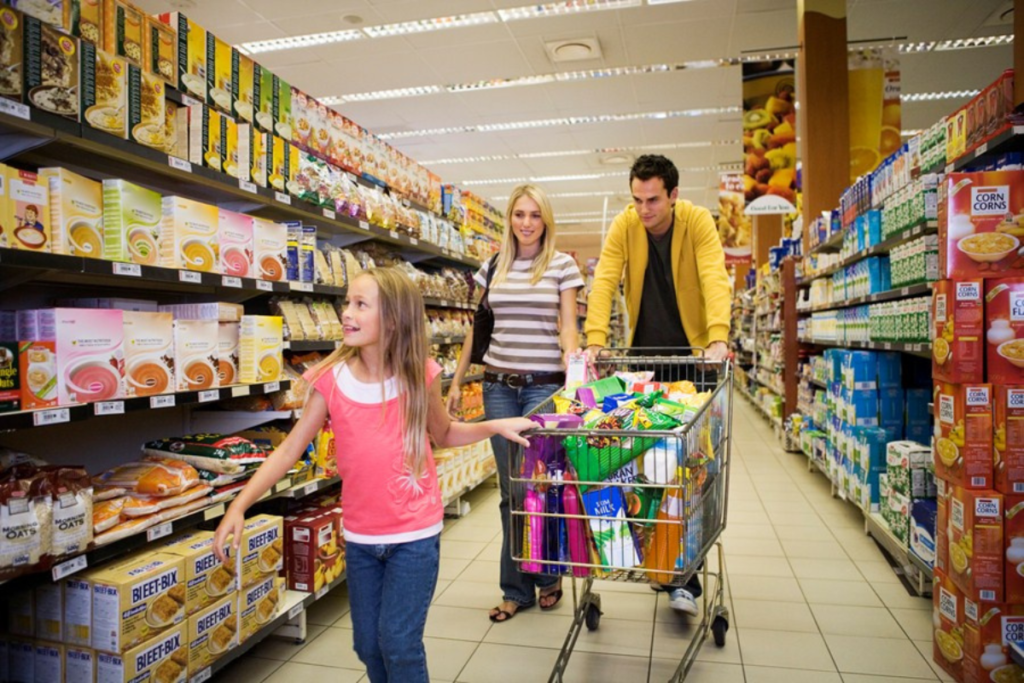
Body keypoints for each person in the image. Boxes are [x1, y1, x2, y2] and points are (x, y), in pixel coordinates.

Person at [214, 268, 534, 683]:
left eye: (360, 305)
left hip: (414, 535)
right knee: (367, 645)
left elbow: (444, 432)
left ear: (395, 320)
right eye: (347, 302)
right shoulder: (331, 379)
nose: (347, 312)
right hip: (362, 538)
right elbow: (291, 449)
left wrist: (494, 426)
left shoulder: (419, 375)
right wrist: (238, 504)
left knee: (399, 644)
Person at [583, 154, 732, 616]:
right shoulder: (626, 225)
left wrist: (719, 338)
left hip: (693, 361)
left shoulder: (698, 223)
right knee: (650, 471)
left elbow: (713, 276)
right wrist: (594, 341)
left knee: (692, 471)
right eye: (637, 199)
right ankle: (660, 559)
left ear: (673, 195)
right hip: (644, 365)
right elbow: (605, 278)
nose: (644, 209)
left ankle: (683, 574)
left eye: (652, 200)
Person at [447, 184, 584, 623]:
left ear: (546, 221)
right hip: (498, 388)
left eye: (535, 215)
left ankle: (548, 576)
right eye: (519, 214)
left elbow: (568, 326)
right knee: (510, 492)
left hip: (544, 388)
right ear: (509, 218)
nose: (526, 223)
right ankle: (516, 588)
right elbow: (478, 329)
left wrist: (573, 364)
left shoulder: (562, 266)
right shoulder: (493, 267)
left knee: (539, 488)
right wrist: (456, 380)